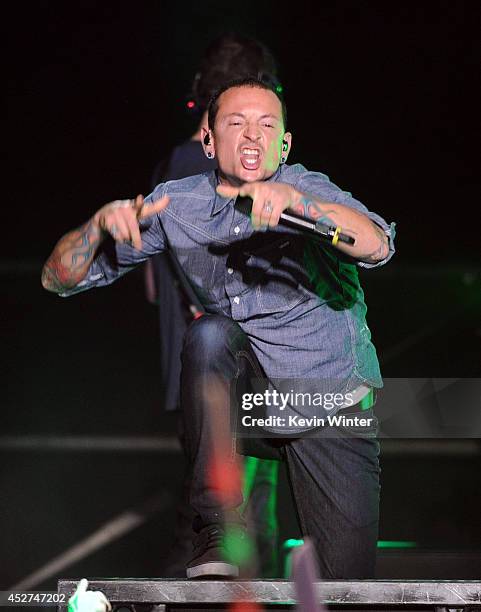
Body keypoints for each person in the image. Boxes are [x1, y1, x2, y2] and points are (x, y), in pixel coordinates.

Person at [41, 77, 396, 580]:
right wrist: (95, 227)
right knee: (209, 336)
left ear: (284, 143)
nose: (252, 136)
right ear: (208, 140)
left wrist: (298, 204)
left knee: (346, 586)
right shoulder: (176, 205)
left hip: (327, 401)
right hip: (247, 402)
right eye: (236, 124)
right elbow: (57, 280)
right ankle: (218, 531)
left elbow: (377, 245)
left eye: (266, 125)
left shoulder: (307, 187)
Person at [145, 34, 281, 578]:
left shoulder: (171, 163)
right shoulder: (195, 164)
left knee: (236, 518)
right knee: (223, 521)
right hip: (232, 365)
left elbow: (153, 284)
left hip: (216, 365)